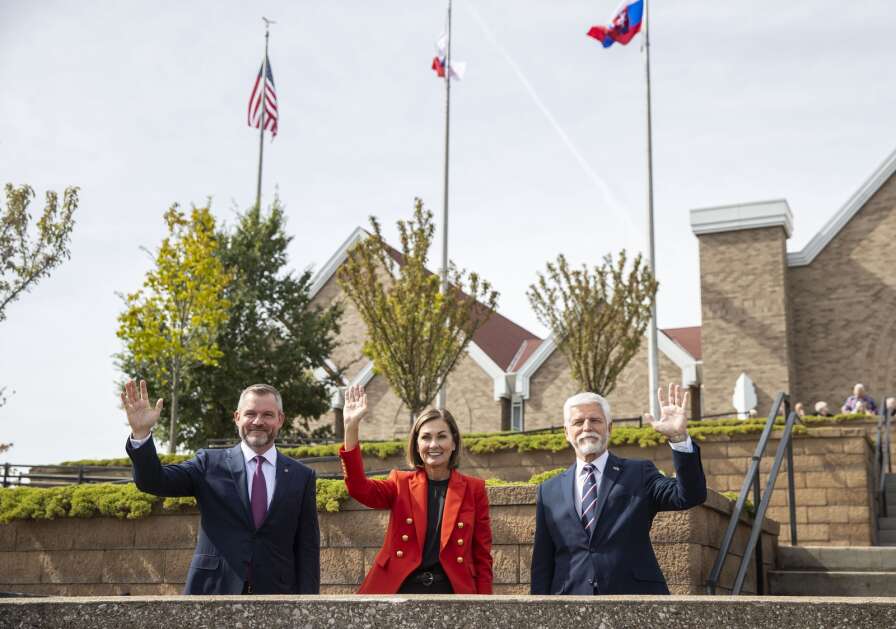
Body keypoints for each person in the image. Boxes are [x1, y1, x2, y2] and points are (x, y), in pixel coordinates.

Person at [122, 379, 320, 595]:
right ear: (237, 418)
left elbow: (307, 548)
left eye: (267, 415)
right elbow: (153, 481)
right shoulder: (208, 463)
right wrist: (141, 434)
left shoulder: (302, 476)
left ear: (280, 419)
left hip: (279, 595)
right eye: (250, 414)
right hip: (212, 591)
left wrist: (309, 603)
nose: (258, 421)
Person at [530, 383, 707, 595]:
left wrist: (679, 439)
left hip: (634, 600)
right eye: (578, 422)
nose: (587, 427)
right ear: (566, 432)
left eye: (595, 420)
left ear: (609, 427)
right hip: (571, 603)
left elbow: (688, 495)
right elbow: (543, 561)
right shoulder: (549, 490)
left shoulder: (639, 473)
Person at [338, 385, 493, 594]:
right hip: (399, 588)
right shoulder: (400, 482)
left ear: (454, 443)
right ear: (417, 445)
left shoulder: (474, 489)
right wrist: (351, 426)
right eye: (426, 437)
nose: (433, 444)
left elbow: (482, 557)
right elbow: (359, 488)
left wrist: (484, 607)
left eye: (442, 436)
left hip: (452, 591)